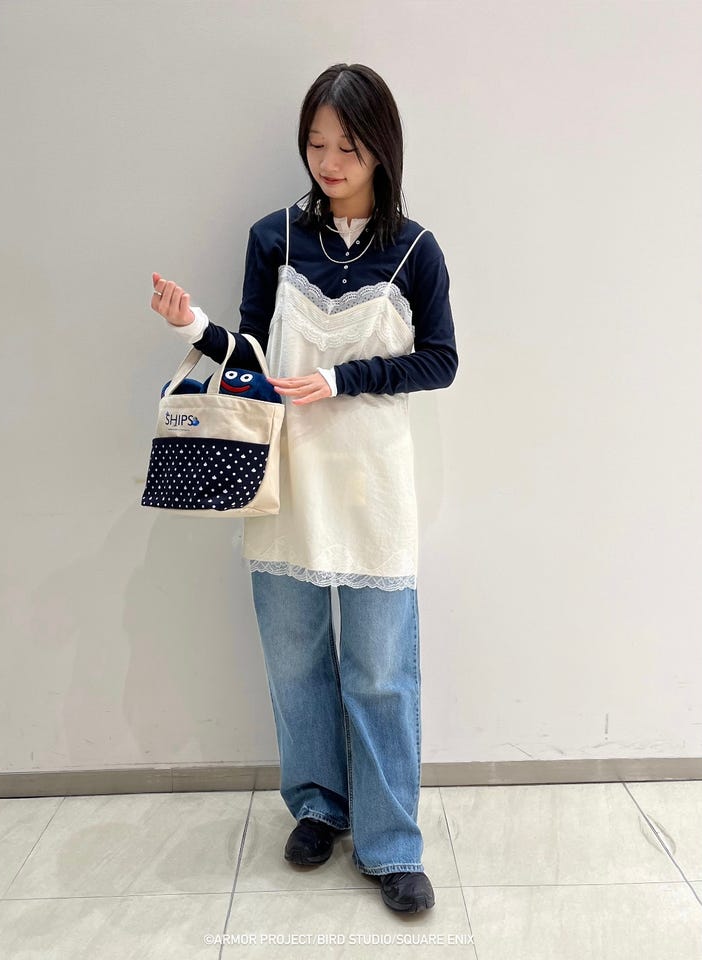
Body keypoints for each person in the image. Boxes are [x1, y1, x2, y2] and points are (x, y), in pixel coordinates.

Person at [150, 63, 458, 914]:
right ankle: (320, 807)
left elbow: (442, 360)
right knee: (295, 662)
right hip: (282, 482)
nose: (329, 162)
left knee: (381, 671)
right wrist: (192, 327)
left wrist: (343, 378)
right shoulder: (274, 238)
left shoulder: (416, 250)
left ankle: (392, 846)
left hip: (371, 487)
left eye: (347, 147)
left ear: (381, 149)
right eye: (316, 144)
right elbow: (250, 359)